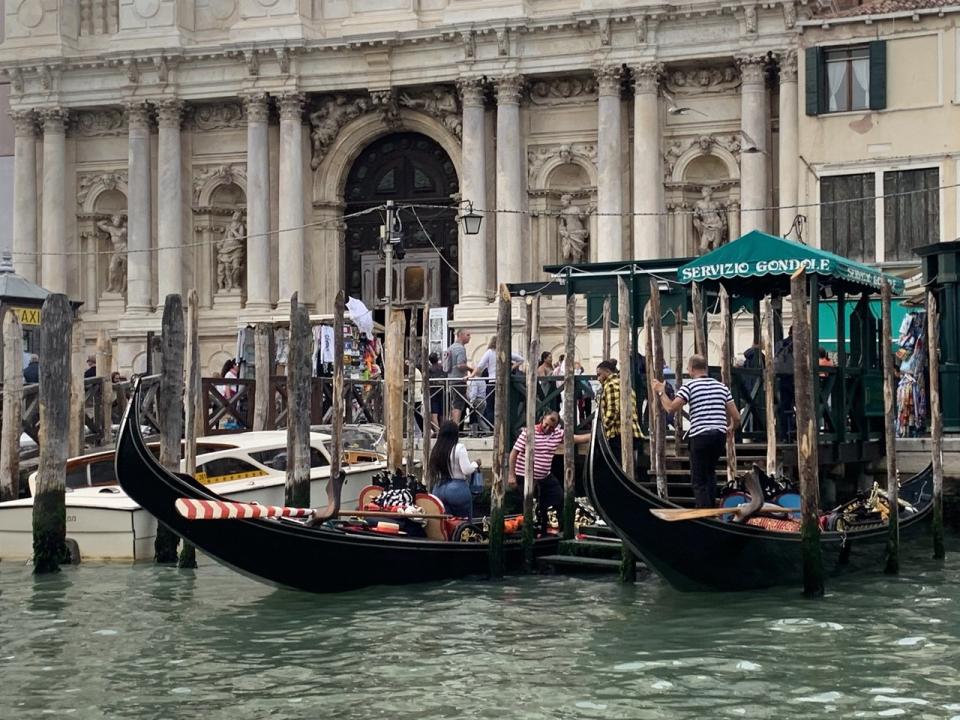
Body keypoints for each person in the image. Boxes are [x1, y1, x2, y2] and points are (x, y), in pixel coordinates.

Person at [653, 354, 741, 508]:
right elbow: (737, 417)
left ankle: (703, 512)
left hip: (700, 436)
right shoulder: (722, 387)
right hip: (719, 436)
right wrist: (731, 428)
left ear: (692, 369)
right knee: (710, 473)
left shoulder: (690, 386)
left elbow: (671, 408)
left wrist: (661, 392)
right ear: (705, 368)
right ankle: (712, 509)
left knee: (699, 478)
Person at [508, 410, 591, 535]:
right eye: (545, 424)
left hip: (544, 476)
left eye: (551, 427)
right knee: (525, 505)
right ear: (542, 419)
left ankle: (563, 530)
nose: (547, 428)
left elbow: (576, 438)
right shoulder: (528, 433)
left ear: (556, 426)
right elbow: (513, 453)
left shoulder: (557, 434)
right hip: (523, 476)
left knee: (559, 498)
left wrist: (594, 434)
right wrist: (511, 475)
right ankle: (528, 531)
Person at [428, 420, 480, 518]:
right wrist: (475, 464)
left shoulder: (436, 449)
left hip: (438, 488)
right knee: (463, 522)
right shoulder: (459, 448)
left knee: (444, 522)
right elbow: (467, 470)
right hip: (457, 489)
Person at [596, 359, 642, 467]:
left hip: (619, 434)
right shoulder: (623, 383)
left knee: (618, 466)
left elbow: (613, 411)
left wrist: (602, 430)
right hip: (631, 431)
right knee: (628, 467)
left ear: (607, 372)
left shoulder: (611, 384)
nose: (598, 379)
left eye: (599, 375)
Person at [473, 336, 524, 429]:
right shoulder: (506, 353)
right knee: (503, 407)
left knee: (491, 407)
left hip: (492, 382)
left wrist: (471, 375)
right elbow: (521, 359)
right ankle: (504, 427)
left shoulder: (489, 352)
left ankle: (493, 428)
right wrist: (511, 368)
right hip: (504, 383)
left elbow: (480, 366)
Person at [444, 328, 472, 425]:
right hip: (459, 380)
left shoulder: (450, 347)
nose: (470, 337)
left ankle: (455, 425)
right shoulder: (460, 348)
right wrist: (471, 369)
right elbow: (460, 365)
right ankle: (455, 426)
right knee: (458, 405)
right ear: (461, 335)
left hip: (451, 379)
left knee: (456, 403)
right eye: (468, 335)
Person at [427, 351, 445, 434]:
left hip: (433, 392)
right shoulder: (442, 368)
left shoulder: (429, 370)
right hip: (442, 391)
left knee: (434, 414)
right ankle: (442, 432)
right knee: (442, 414)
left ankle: (438, 432)